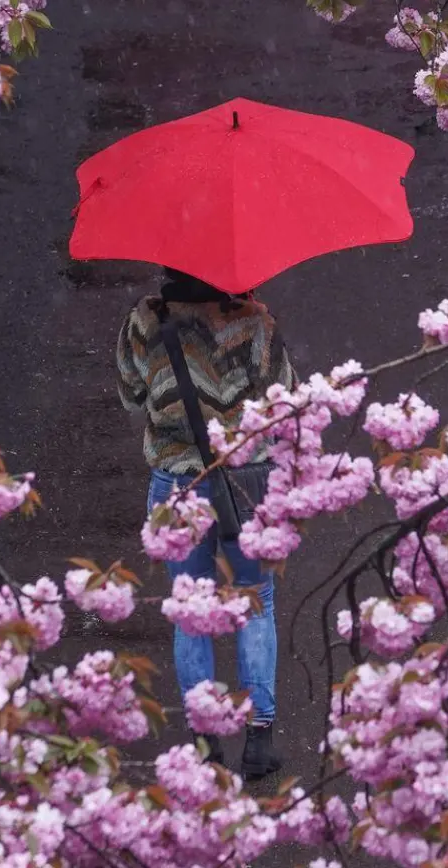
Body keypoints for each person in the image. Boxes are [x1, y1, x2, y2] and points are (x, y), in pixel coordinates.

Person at [115, 267, 295, 780]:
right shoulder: (256, 321)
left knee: (191, 609)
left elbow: (131, 395)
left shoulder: (146, 320)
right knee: (255, 601)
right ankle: (259, 737)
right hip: (245, 479)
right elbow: (284, 400)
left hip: (177, 483)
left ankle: (203, 738)